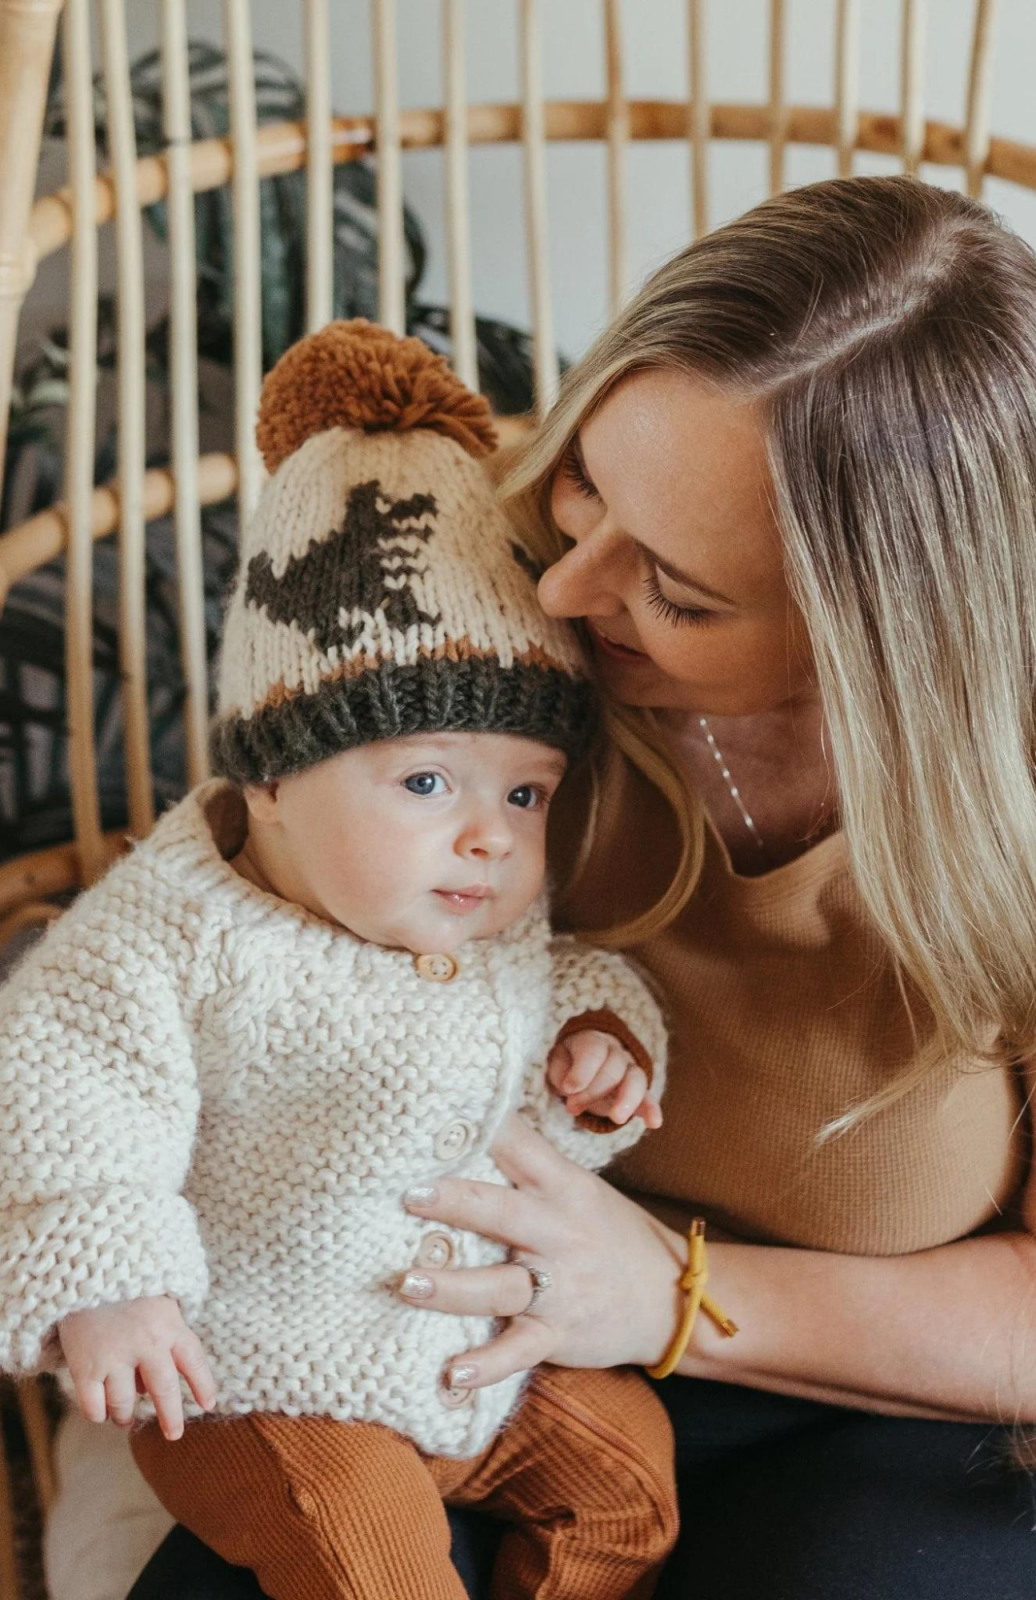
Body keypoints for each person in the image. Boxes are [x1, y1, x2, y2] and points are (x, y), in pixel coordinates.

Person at [116, 173, 1036, 1599]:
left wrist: (671, 1297)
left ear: (890, 643)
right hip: (446, 1339)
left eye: (680, 593)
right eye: (586, 485)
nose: (568, 588)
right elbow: (235, 906)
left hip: (917, 1413)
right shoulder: (479, 599)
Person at [0, 324, 686, 1600]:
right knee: (366, 1563)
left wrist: (600, 1051)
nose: (489, 835)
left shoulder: (475, 908)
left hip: (473, 1359)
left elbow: (565, 983)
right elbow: (61, 1091)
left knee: (630, 1485)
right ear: (270, 774)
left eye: (527, 794)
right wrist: (111, 1281)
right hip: (254, 1378)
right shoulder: (177, 934)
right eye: (426, 780)